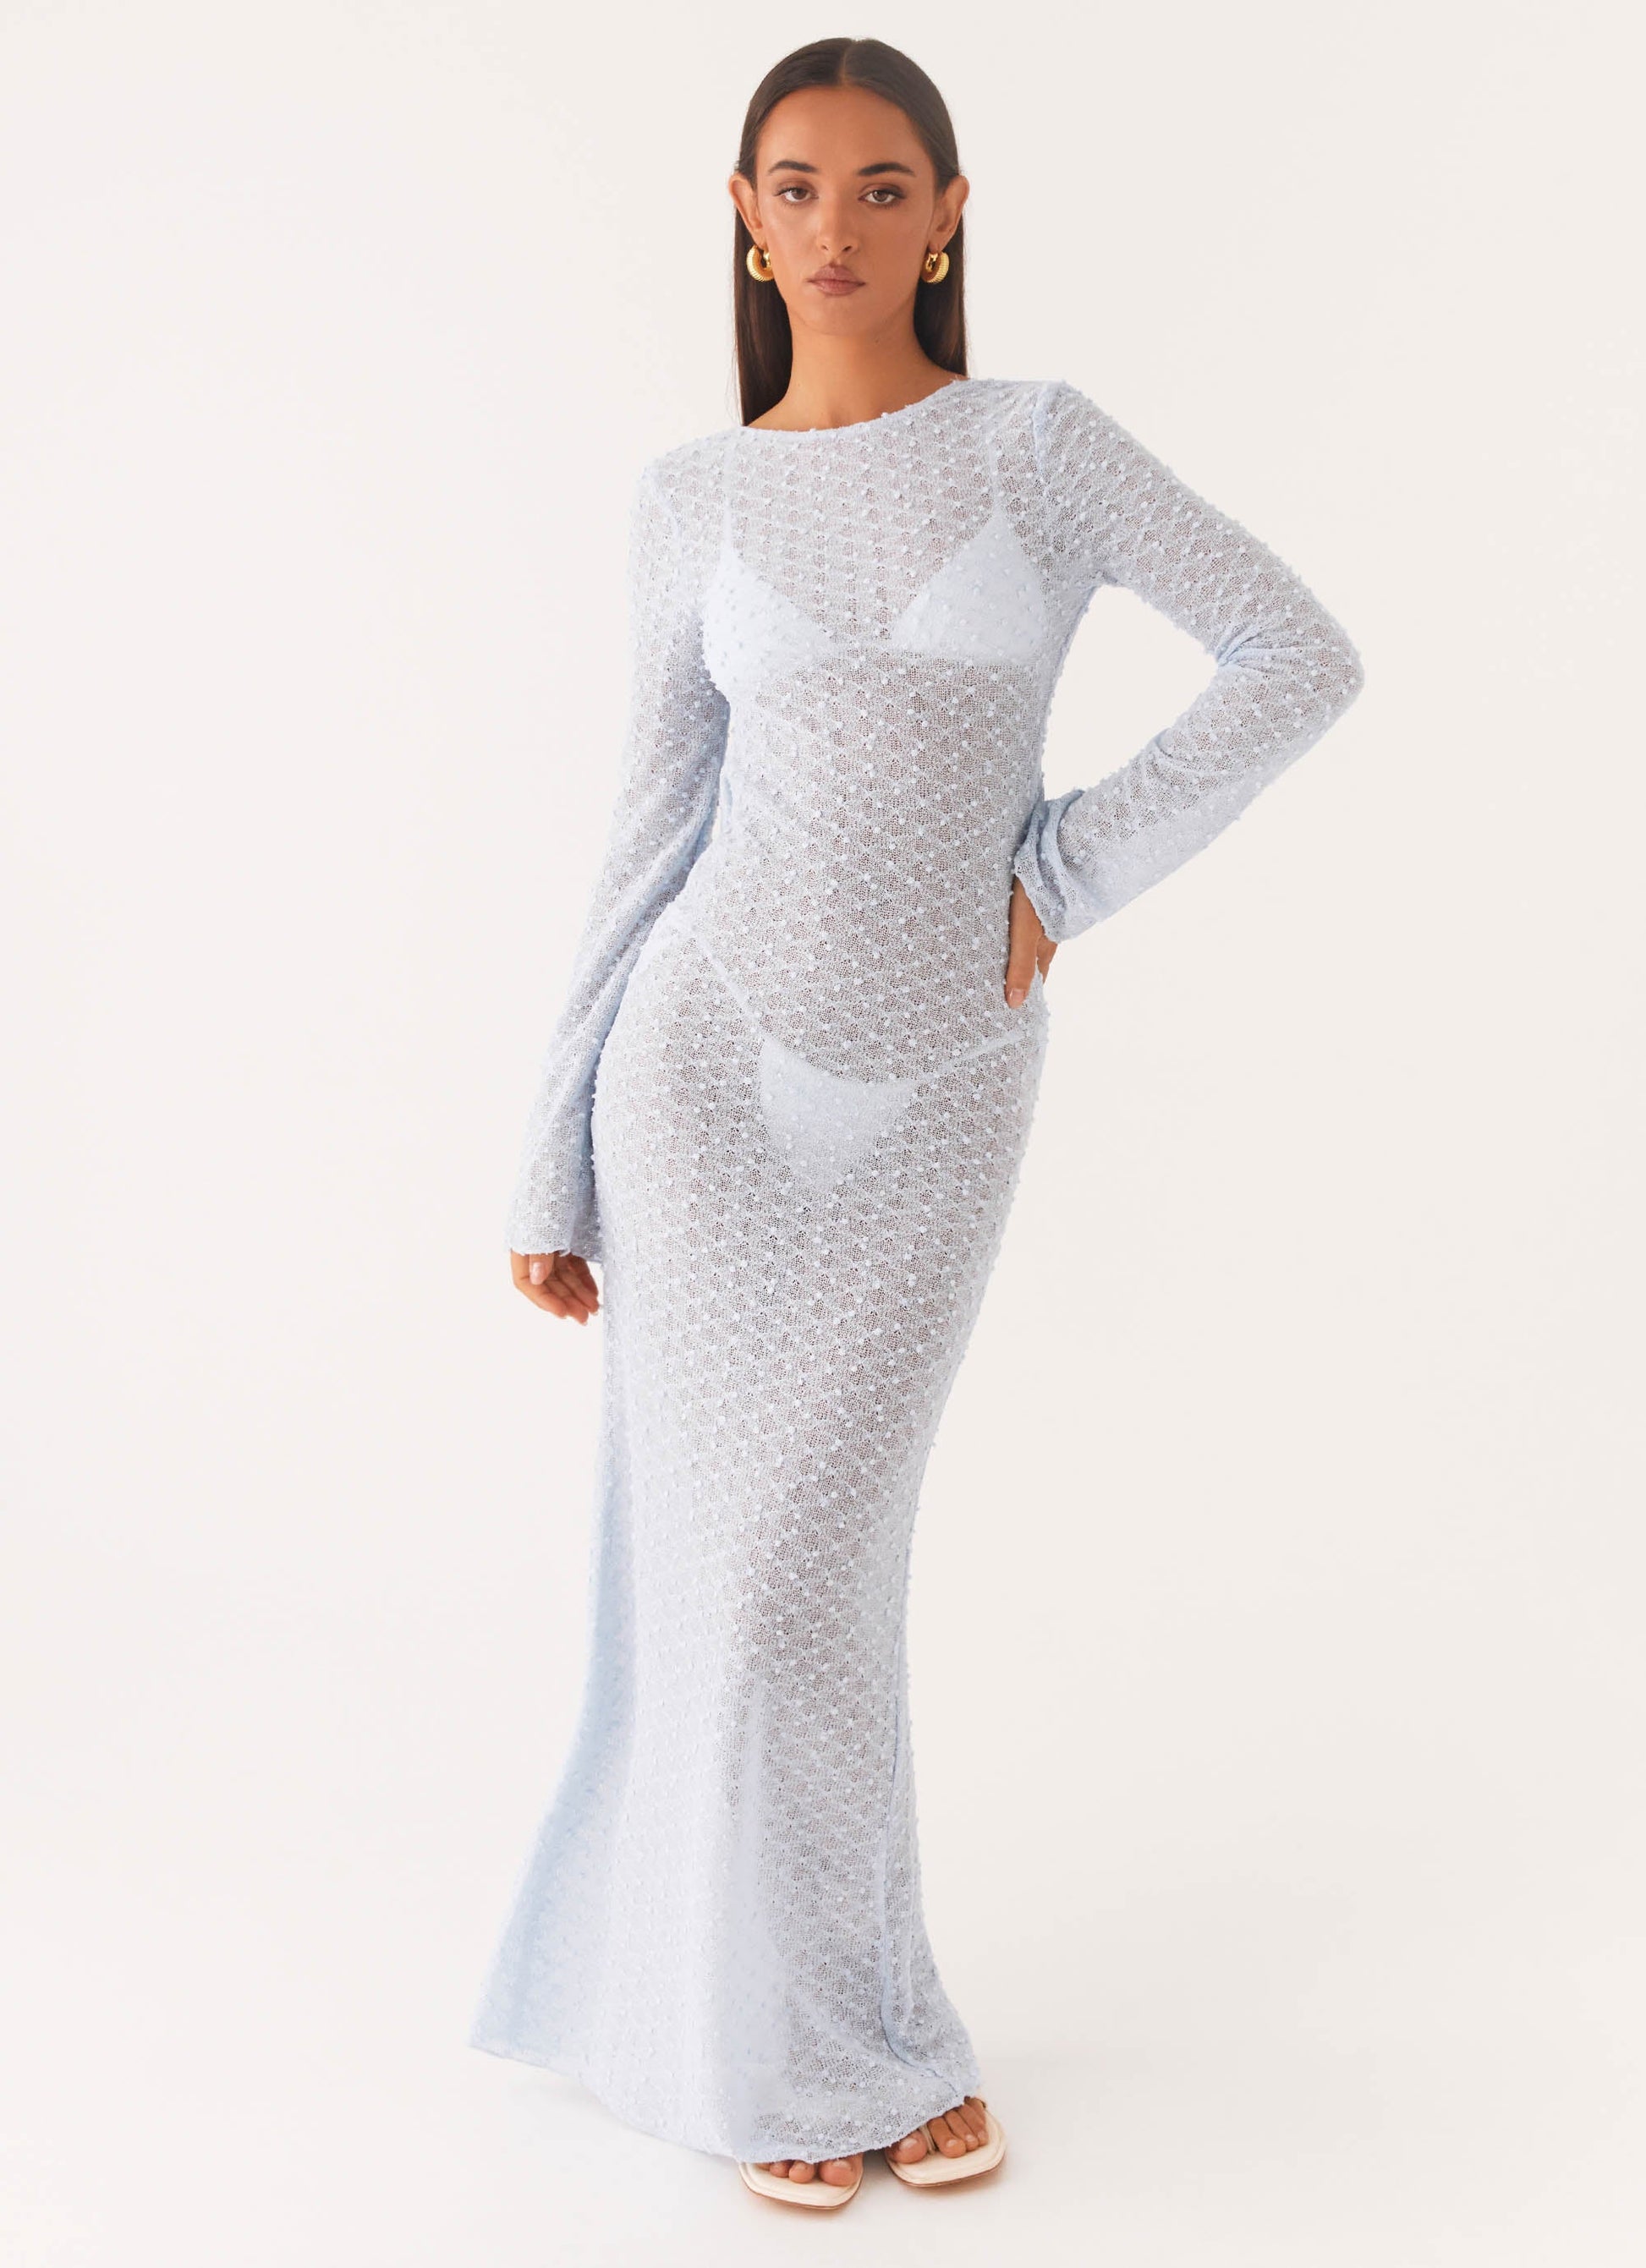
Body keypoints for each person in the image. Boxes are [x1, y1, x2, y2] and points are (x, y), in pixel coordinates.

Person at [469, 36, 1364, 2211]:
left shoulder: (1036, 448)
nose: (838, 226)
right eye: (795, 186)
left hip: (940, 1096)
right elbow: (647, 829)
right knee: (731, 1584)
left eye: (884, 187)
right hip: (699, 1078)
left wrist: (1064, 875)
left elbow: (1293, 652)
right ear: (742, 218)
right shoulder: (693, 497)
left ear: (949, 216)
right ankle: (805, 2053)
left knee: (813, 1573)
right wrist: (546, 1143)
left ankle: (829, 2035)